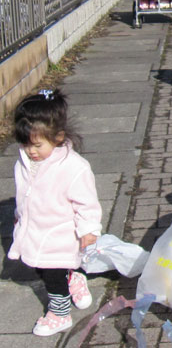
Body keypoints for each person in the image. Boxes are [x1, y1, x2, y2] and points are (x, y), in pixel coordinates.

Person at [9, 89, 102, 336]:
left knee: (51, 274)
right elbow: (24, 191)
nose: (31, 151)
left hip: (60, 233)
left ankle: (60, 313)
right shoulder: (26, 162)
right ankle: (74, 276)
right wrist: (20, 213)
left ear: (58, 137)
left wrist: (88, 230)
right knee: (36, 265)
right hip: (34, 228)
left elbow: (87, 203)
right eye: (26, 144)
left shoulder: (74, 168)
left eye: (37, 145)